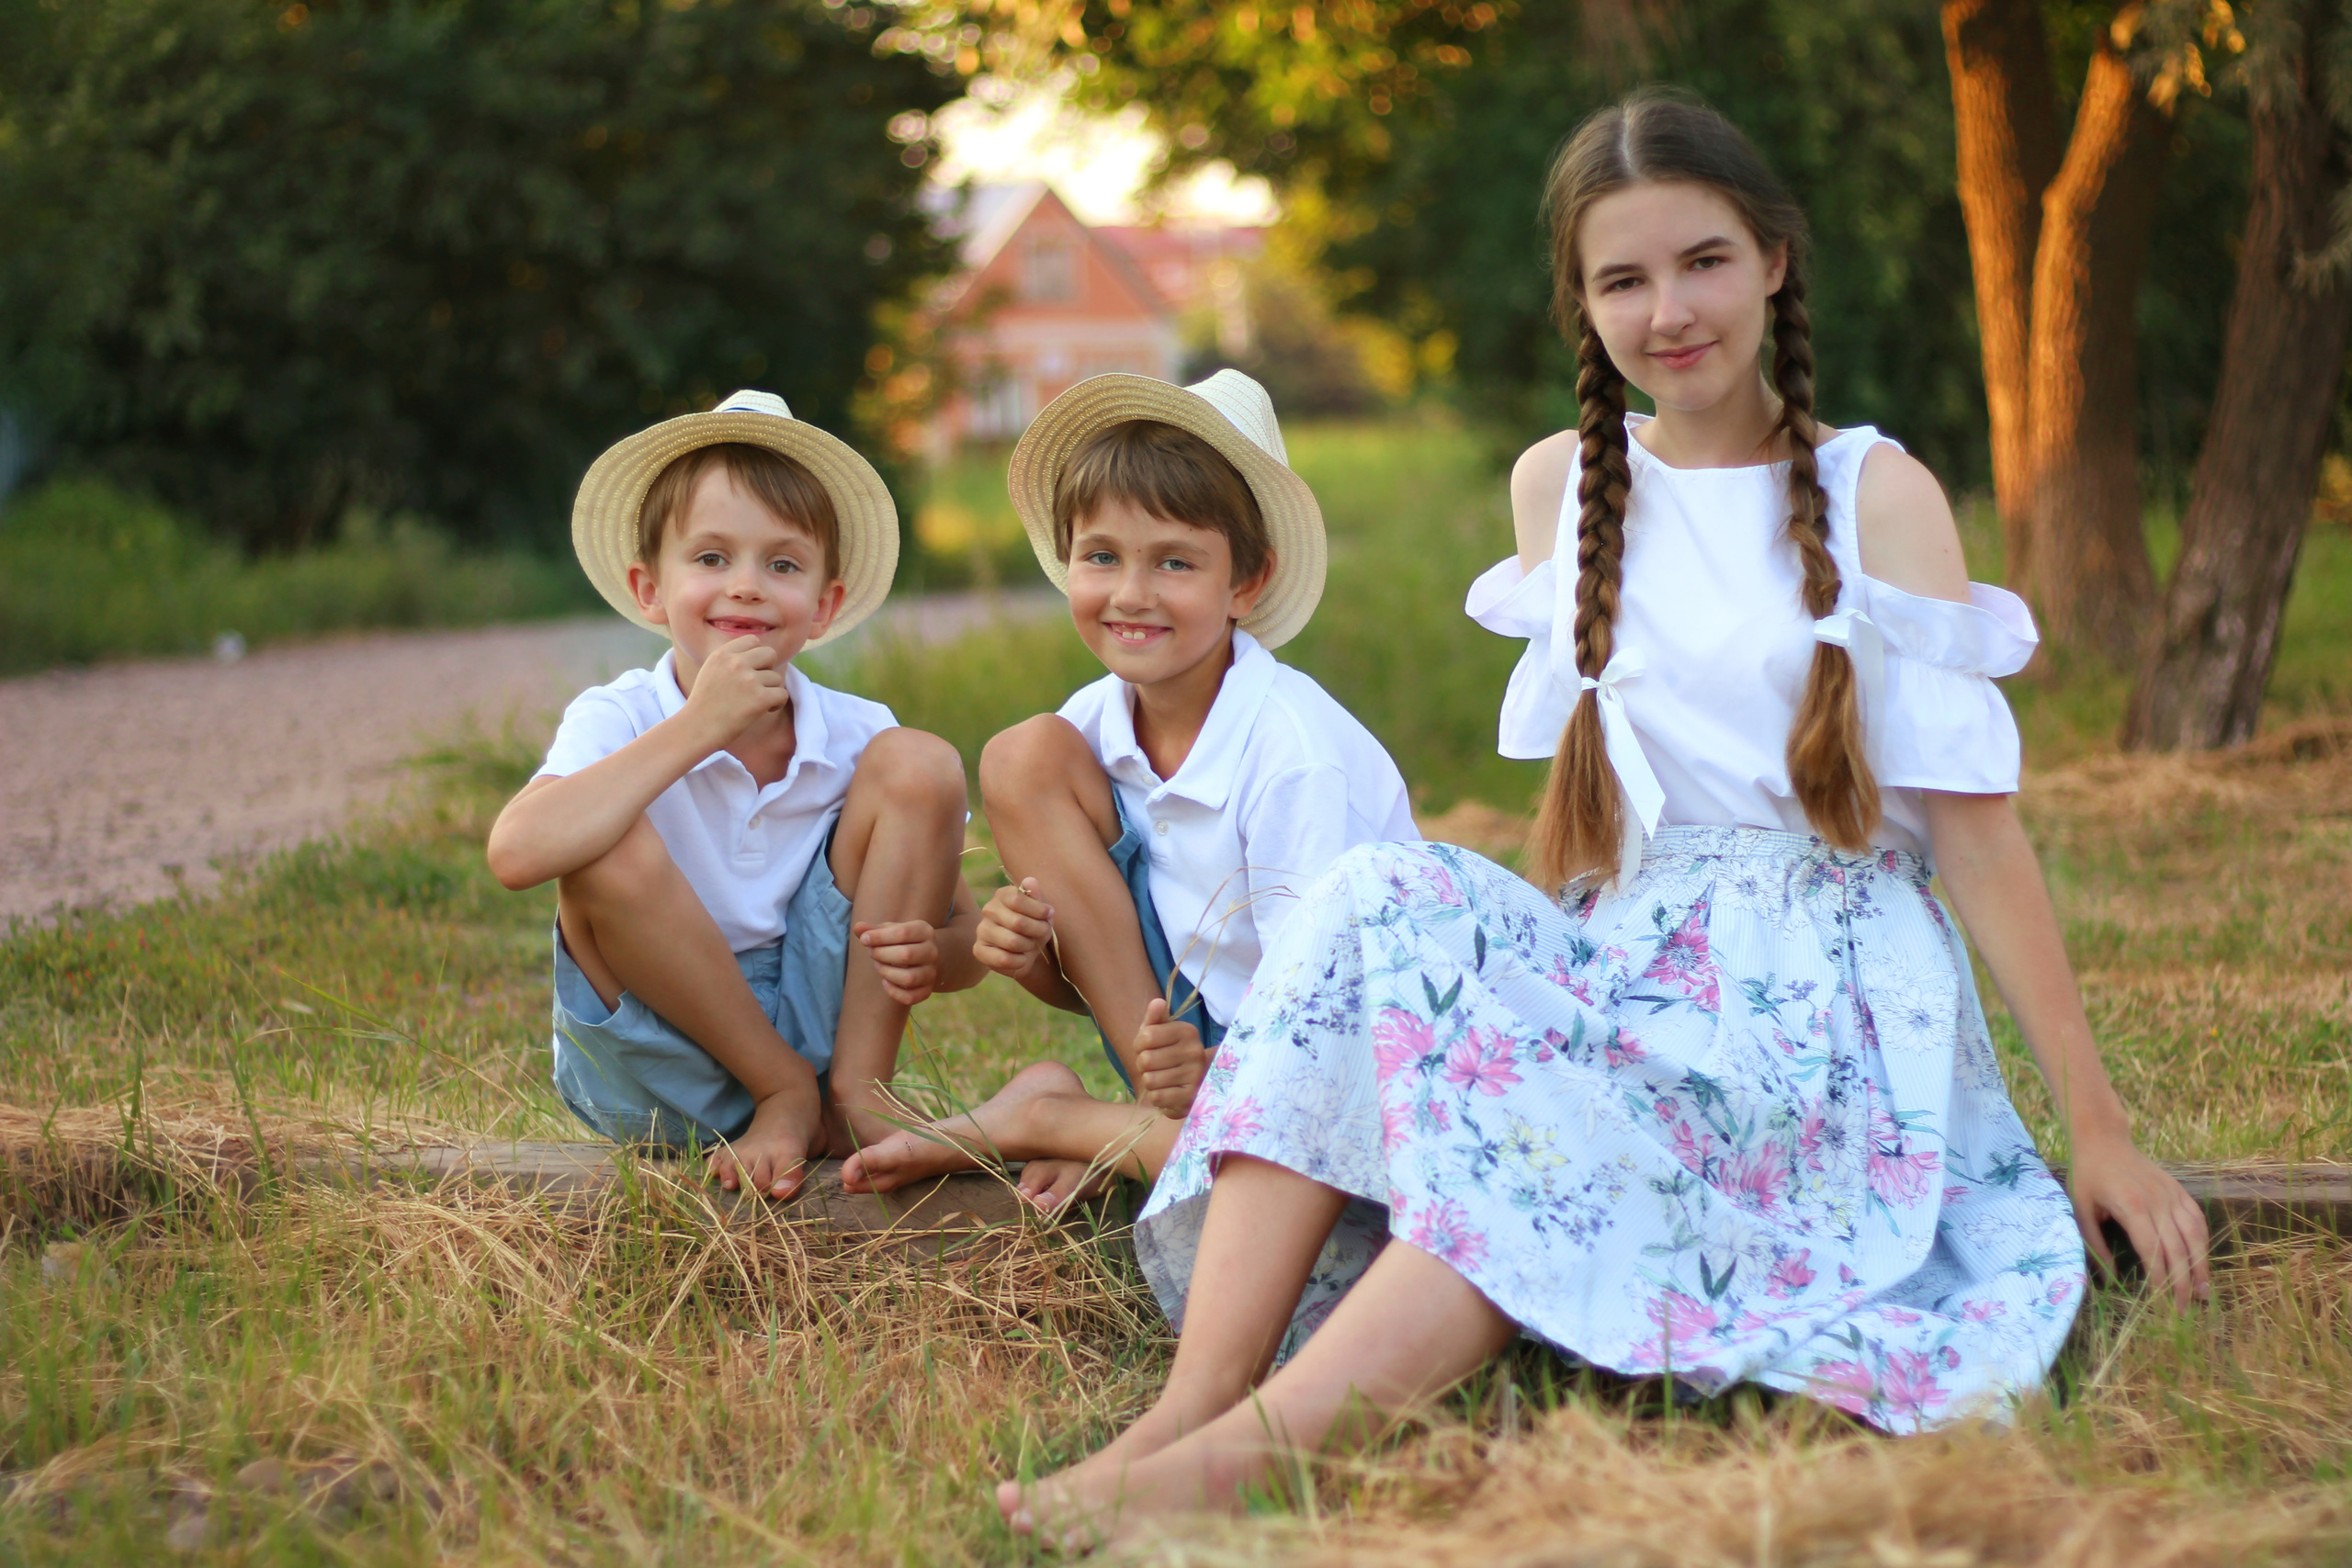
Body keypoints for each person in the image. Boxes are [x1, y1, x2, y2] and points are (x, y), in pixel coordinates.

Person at [999, 94, 2213, 1545]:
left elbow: (1980, 838)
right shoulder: (1561, 487)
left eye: (1702, 262)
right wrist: (1502, 1000)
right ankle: (1192, 1400)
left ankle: (1263, 1453)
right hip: (1629, 947)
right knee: (1385, 894)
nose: (1668, 310)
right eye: (1622, 279)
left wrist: (2099, 1123)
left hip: (1818, 1001)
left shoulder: (1875, 490)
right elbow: (1581, 819)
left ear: (1773, 259)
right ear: (1580, 299)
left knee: (1539, 1134)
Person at [840, 370, 1418, 1211]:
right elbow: (1092, 962)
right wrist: (1028, 951)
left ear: (1246, 583)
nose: (1132, 593)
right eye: (1102, 556)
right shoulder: (1092, 728)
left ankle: (1059, 1121)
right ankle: (1146, 1124)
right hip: (1170, 1048)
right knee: (1020, 755)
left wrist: (1219, 1071)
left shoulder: (1298, 758)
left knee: (1304, 1180)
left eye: (1175, 561)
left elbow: (1329, 1029)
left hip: (1334, 1053)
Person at [485, 391, 982, 1203]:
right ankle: (781, 1091)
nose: (745, 587)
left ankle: (858, 1097)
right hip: (654, 1061)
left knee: (920, 763)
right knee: (595, 837)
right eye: (711, 558)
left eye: (782, 565)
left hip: (821, 1031)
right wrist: (697, 728)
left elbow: (958, 932)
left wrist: (940, 957)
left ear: (823, 606)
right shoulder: (622, 715)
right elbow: (516, 853)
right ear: (650, 590)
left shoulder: (858, 733)